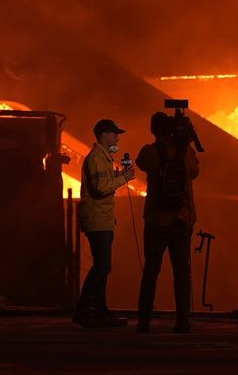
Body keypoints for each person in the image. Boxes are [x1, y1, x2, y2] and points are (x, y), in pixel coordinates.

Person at [135, 111, 201, 333]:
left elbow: (140, 163)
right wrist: (184, 142)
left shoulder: (150, 152)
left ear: (153, 130)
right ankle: (182, 321)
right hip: (181, 220)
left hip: (156, 220)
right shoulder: (186, 153)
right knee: (182, 272)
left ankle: (144, 321)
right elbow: (195, 172)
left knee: (151, 270)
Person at [73, 118, 135, 328]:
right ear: (104, 135)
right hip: (98, 220)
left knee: (103, 267)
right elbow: (101, 188)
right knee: (102, 266)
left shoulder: (103, 158)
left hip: (102, 219)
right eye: (115, 133)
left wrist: (116, 176)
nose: (118, 137)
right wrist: (123, 178)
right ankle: (84, 311)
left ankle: (99, 312)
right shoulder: (97, 158)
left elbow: (102, 184)